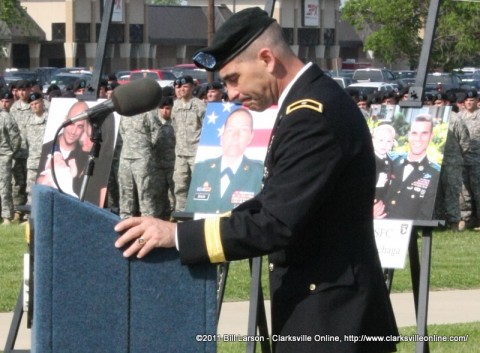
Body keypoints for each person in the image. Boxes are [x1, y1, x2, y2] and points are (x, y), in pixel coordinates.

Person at [114, 8, 397, 353]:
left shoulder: (312, 115)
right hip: (322, 307)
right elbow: (273, 201)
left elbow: (275, 223)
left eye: (233, 78)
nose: (230, 94)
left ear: (266, 58)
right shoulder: (305, 105)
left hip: (333, 319)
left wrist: (177, 236)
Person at [186, 108, 264, 214]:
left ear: (251, 137)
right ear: (222, 136)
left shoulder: (259, 172)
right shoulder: (201, 169)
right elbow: (190, 213)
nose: (235, 136)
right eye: (230, 130)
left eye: (243, 130)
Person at [384, 114, 441, 220]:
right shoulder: (390, 161)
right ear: (409, 135)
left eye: (424, 133)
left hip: (408, 232)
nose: (418, 139)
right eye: (414, 133)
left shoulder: (436, 174)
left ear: (431, 136)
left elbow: (425, 215)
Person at [36, 101, 90, 198]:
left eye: (80, 126)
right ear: (65, 120)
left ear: (85, 129)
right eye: (71, 123)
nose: (73, 131)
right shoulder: (45, 150)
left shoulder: (86, 157)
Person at [171, 75, 206, 211]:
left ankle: (200, 212)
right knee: (180, 185)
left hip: (196, 153)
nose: (182, 90)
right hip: (180, 154)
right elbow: (175, 127)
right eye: (179, 87)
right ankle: (181, 213)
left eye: (185, 87)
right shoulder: (175, 105)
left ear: (192, 87)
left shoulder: (199, 105)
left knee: (200, 185)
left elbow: (206, 127)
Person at [151, 96, 176, 219]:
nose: (165, 111)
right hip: (158, 166)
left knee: (175, 195)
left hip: (173, 165)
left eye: (167, 108)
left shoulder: (176, 123)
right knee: (158, 195)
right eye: (162, 108)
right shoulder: (154, 123)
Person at [0, 91, 21, 225]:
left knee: (4, 186)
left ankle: (7, 216)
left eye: (7, 101)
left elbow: (15, 138)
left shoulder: (6, 117)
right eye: (2, 101)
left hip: (3, 156)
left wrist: (10, 153)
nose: (4, 104)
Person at [24, 92, 49, 205]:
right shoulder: (28, 120)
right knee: (31, 188)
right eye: (32, 104)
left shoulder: (50, 118)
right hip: (33, 160)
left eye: (36, 103)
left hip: (47, 159)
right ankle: (30, 215)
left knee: (47, 188)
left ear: (42, 102)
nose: (34, 106)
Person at [371, 124, 396, 218]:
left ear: (392, 143)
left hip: (383, 207)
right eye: (381, 140)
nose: (384, 144)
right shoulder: (367, 160)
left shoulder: (390, 161)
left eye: (388, 141)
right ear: (373, 140)